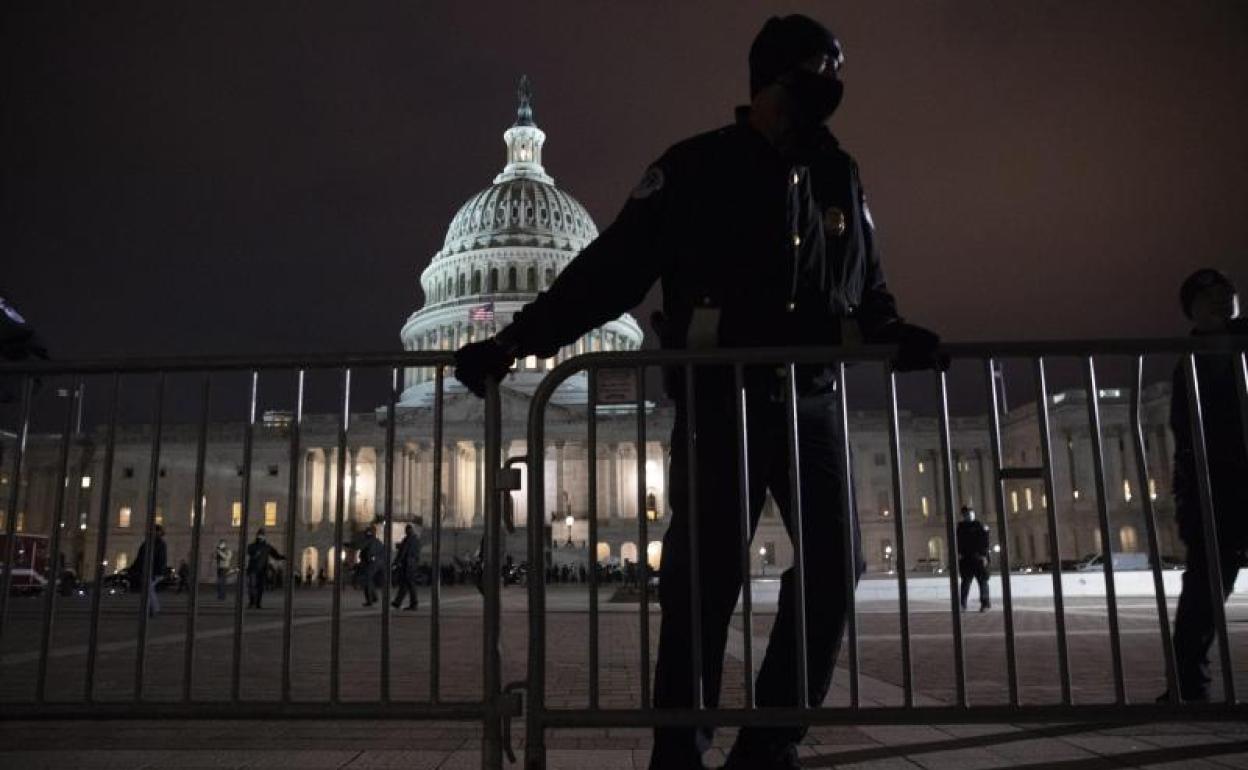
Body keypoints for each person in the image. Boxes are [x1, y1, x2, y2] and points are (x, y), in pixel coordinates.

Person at [454, 15, 943, 769]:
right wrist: (516, 340)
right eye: (814, 74)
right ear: (770, 80)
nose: (828, 90)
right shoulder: (694, 168)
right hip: (722, 397)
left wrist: (893, 330)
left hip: (811, 397)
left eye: (834, 73)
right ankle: (679, 750)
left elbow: (865, 280)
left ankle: (770, 742)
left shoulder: (837, 172)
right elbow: (610, 271)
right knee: (702, 581)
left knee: (836, 566)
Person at [1164, 268, 1247, 703]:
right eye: (1209, 295)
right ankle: (1188, 686)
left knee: (1206, 587)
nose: (1221, 298)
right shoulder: (1189, 362)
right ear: (1191, 309)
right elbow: (1185, 434)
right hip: (1218, 485)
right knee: (1206, 589)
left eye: (1226, 292)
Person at [956, 506, 991, 612]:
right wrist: (960, 554)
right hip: (967, 559)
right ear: (964, 516)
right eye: (967, 514)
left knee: (982, 582)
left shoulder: (979, 525)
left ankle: (984, 603)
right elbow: (959, 543)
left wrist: (984, 556)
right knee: (966, 583)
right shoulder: (961, 527)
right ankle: (963, 604)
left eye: (971, 513)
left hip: (978, 558)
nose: (970, 516)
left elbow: (985, 543)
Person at [245, 528, 285, 609]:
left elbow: (276, 556)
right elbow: (249, 552)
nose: (260, 537)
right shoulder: (252, 546)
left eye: (262, 535)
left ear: (264, 537)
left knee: (260, 587)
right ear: (257, 536)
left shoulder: (267, 547)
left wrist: (284, 557)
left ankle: (258, 603)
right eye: (259, 535)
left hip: (262, 570)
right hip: (253, 570)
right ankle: (252, 602)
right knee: (252, 586)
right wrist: (255, 554)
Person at [133, 524, 167, 618]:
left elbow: (160, 559)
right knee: (148, 589)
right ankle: (152, 608)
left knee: (148, 589)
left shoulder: (159, 543)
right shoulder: (150, 543)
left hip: (154, 572)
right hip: (149, 571)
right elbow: (140, 558)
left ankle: (153, 608)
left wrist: (157, 572)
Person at [392, 523, 422, 611]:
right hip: (413, 564)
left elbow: (403, 552)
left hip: (407, 564)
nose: (406, 532)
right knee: (405, 584)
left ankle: (414, 604)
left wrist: (396, 562)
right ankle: (398, 602)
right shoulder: (416, 540)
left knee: (409, 584)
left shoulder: (408, 539)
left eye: (406, 530)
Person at [357, 525, 386, 607]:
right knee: (369, 580)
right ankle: (373, 597)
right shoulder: (378, 541)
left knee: (367, 581)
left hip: (370, 563)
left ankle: (370, 599)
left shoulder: (369, 540)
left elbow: (362, 548)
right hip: (375, 563)